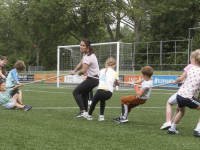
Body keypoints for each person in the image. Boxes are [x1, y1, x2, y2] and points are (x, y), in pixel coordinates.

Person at [167, 50, 200, 136]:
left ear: (195, 60)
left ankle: (172, 129)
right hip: (187, 97)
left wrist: (175, 81)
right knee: (181, 111)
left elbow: (181, 79)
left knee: (181, 112)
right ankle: (197, 130)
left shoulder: (191, 68)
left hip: (180, 94)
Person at [160, 51, 196, 130]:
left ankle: (168, 121)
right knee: (179, 109)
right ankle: (172, 125)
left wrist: (176, 81)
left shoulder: (190, 66)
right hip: (191, 94)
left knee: (169, 102)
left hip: (183, 93)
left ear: (193, 59)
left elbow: (181, 78)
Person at [70, 38, 99, 118]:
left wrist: (78, 73)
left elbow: (83, 70)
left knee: (75, 92)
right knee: (83, 94)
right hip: (93, 79)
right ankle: (84, 111)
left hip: (93, 79)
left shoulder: (88, 56)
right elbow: (80, 63)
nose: (81, 47)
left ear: (88, 46)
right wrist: (74, 71)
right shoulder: (87, 54)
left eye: (83, 45)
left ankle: (83, 112)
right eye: (81, 45)